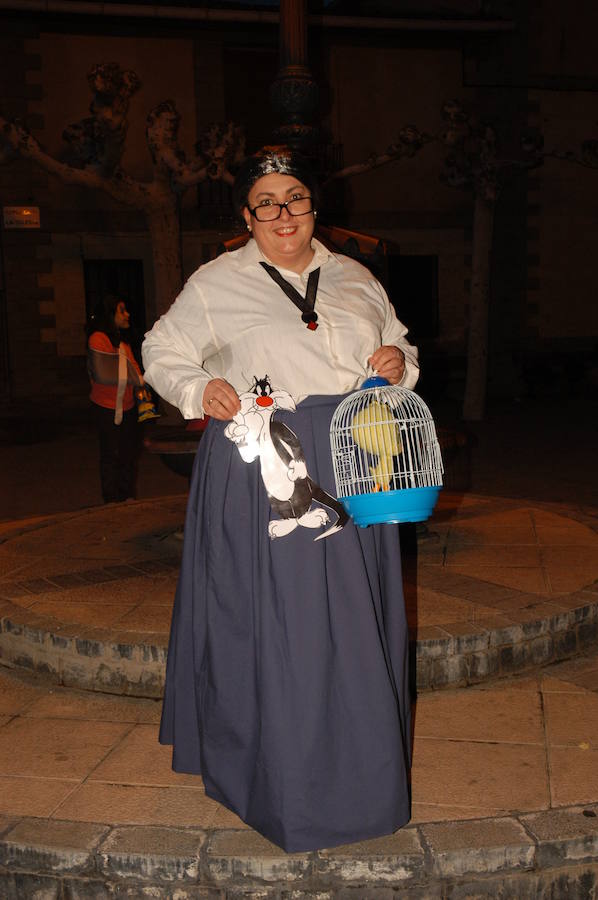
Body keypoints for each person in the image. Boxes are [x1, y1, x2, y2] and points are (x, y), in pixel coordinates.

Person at [142, 146, 420, 853]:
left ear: (313, 206)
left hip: (357, 456)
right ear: (246, 215)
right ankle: (275, 774)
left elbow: (400, 350)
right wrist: (196, 387)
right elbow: (161, 349)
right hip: (264, 462)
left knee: (354, 620)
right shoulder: (216, 282)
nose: (282, 213)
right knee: (281, 623)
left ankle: (357, 766)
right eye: (266, 202)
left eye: (293, 197)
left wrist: (397, 363)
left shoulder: (357, 277)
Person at [87, 294, 142, 503]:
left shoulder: (123, 343)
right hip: (106, 407)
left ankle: (126, 497)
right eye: (121, 310)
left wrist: (131, 375)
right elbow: (105, 374)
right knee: (111, 456)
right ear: (110, 314)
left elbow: (136, 376)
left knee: (128, 456)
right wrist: (131, 374)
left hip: (127, 406)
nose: (127, 314)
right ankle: (111, 502)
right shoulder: (98, 338)